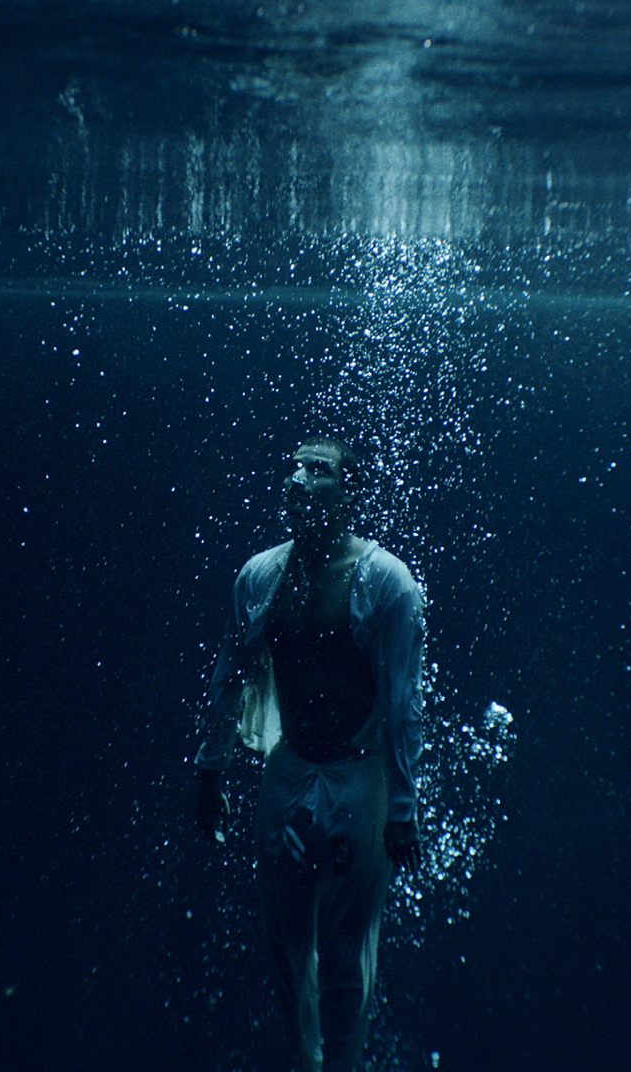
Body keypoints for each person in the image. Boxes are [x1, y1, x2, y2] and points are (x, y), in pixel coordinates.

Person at [193, 436, 425, 1072]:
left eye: (317, 469)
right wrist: (210, 770)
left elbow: (402, 702)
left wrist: (403, 809)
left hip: (359, 777)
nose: (297, 477)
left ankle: (343, 1066)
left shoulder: (387, 582)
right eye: (293, 466)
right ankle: (307, 1062)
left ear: (349, 492)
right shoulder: (259, 576)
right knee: (285, 946)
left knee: (346, 950)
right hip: (290, 771)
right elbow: (229, 676)